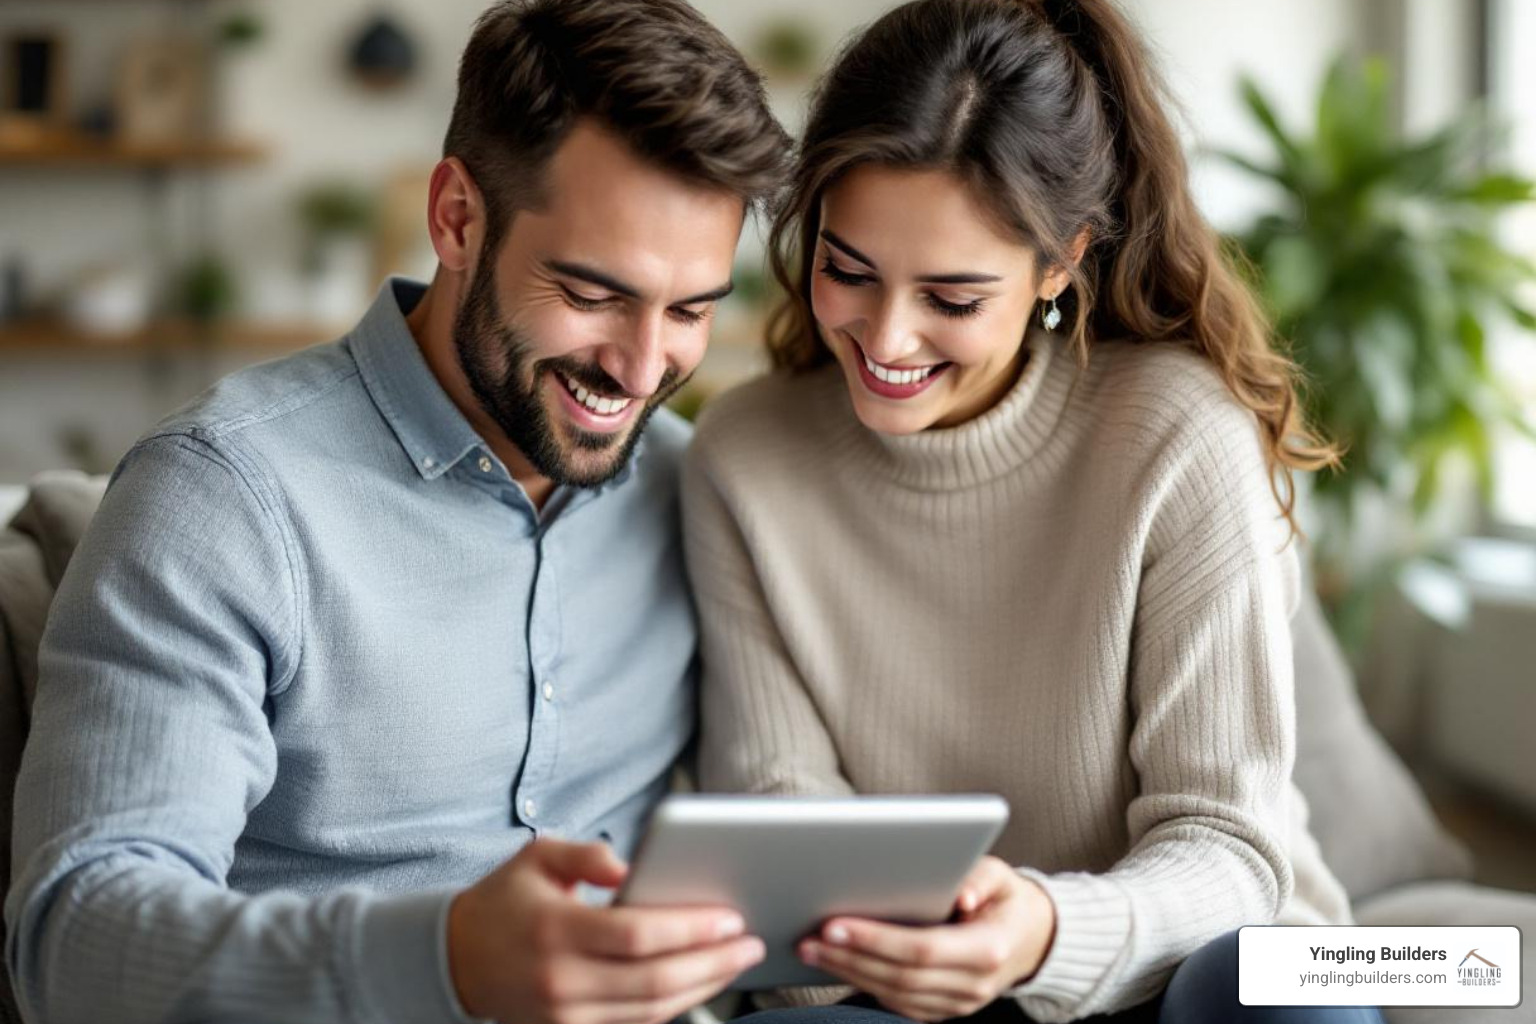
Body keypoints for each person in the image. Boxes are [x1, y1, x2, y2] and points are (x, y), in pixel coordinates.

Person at [4, 2, 792, 1022]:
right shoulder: (222, 497)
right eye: (593, 294)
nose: (644, 369)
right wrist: (445, 960)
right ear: (458, 218)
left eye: (689, 310)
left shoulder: (694, 489)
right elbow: (78, 944)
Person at [683, 1, 1381, 1023]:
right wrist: (916, 957)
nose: (887, 337)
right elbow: (781, 813)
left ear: (1062, 260)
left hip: (1198, 969)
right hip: (912, 992)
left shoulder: (1178, 436)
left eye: (953, 299)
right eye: (848, 270)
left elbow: (1229, 847)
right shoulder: (743, 457)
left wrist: (1044, 933)